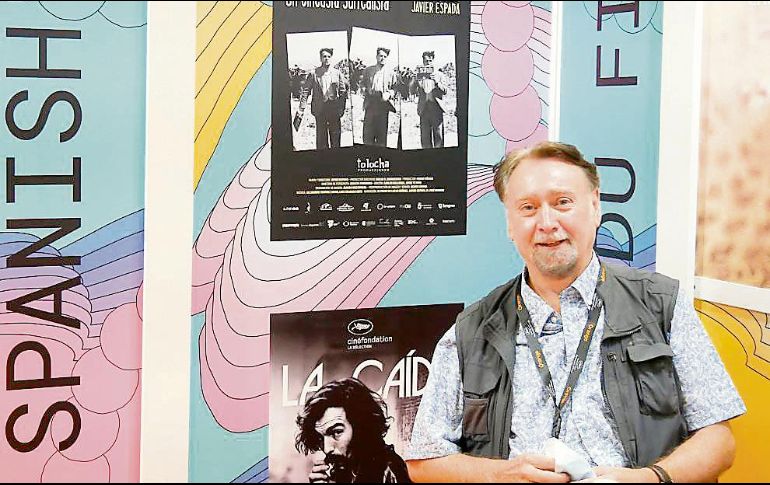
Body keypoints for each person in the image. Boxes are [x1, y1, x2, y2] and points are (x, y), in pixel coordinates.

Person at [405, 142, 746, 483]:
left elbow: (719, 440)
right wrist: (500, 475)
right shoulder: (471, 331)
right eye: (528, 208)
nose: (547, 223)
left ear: (595, 207)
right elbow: (423, 461)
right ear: (509, 223)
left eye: (562, 202)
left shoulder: (661, 304)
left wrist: (649, 478)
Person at [296, 378, 412, 483]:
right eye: (320, 438)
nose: (327, 449)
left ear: (360, 427)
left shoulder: (389, 471)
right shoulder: (343, 471)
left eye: (337, 432)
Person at [308, 47, 348, 149]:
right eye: (324, 56)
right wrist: (301, 109)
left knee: (335, 138)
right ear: (320, 58)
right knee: (321, 140)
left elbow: (343, 92)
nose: (327, 58)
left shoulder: (337, 73)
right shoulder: (314, 73)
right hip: (320, 109)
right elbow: (305, 91)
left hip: (334, 108)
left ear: (331, 58)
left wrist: (342, 109)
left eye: (329, 56)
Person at [360, 47, 398, 146]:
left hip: (383, 105)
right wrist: (364, 90)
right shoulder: (368, 70)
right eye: (381, 56)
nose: (382, 58)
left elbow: (395, 88)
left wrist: (389, 94)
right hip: (370, 103)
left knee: (381, 136)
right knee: (368, 135)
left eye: (385, 56)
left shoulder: (391, 73)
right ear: (376, 56)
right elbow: (362, 83)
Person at [411, 51, 448, 148]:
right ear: (423, 62)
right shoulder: (419, 75)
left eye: (430, 61)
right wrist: (414, 80)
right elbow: (412, 91)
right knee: (425, 138)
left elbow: (445, 91)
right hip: (424, 109)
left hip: (436, 107)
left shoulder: (439, 75)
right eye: (426, 61)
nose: (428, 63)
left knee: (438, 136)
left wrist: (437, 82)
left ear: (433, 61)